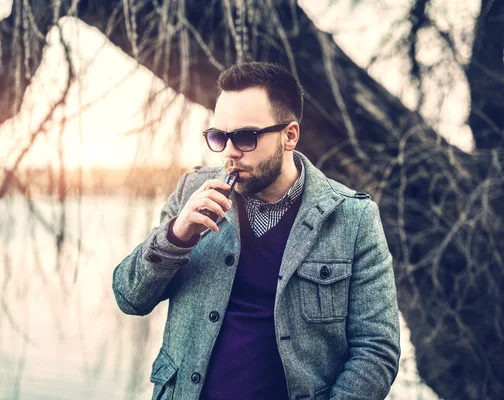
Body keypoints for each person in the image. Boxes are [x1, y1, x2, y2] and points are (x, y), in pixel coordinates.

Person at [112, 61, 400, 400]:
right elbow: (129, 297)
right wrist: (176, 236)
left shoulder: (353, 218)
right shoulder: (192, 191)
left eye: (246, 137)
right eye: (219, 137)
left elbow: (376, 349)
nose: (230, 152)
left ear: (290, 135)